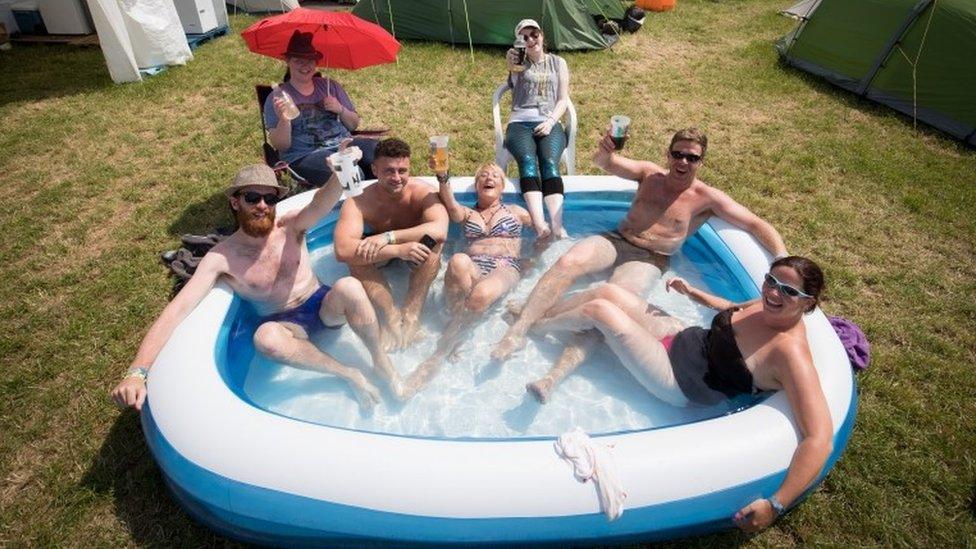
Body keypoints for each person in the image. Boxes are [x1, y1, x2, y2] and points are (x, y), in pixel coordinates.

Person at [526, 256, 833, 533]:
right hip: (682, 337)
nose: (774, 293)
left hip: (677, 381)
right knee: (607, 293)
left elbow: (819, 438)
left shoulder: (791, 355)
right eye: (771, 281)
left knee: (600, 311)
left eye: (789, 291)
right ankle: (534, 315)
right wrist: (693, 293)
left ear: (808, 303)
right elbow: (731, 307)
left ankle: (535, 328)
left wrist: (776, 505)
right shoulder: (767, 304)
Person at [110, 164, 403, 412]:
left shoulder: (290, 227)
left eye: (270, 199)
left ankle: (379, 360)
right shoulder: (221, 258)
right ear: (236, 202)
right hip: (286, 326)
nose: (263, 206)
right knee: (265, 339)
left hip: (322, 306)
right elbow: (175, 313)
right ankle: (347, 373)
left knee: (350, 286)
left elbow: (320, 204)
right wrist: (137, 372)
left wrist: (339, 170)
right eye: (253, 197)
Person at [491, 127, 789, 364]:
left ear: (701, 162)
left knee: (615, 302)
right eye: (678, 154)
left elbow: (756, 224)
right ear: (668, 154)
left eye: (692, 157)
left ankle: (542, 327)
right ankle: (518, 331)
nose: (683, 162)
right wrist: (605, 151)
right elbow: (604, 164)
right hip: (617, 239)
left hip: (651, 258)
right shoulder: (649, 174)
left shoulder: (706, 198)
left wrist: (781, 257)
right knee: (568, 262)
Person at [401, 162, 533, 398]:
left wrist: (531, 261)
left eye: (495, 175)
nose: (488, 177)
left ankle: (439, 353)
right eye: (483, 175)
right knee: (458, 260)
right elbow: (451, 206)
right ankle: (460, 324)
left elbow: (545, 234)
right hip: (475, 266)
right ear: (476, 185)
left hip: (504, 267)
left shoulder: (517, 212)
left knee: (480, 294)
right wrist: (442, 177)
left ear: (502, 186)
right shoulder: (468, 213)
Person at [333, 138, 450, 350]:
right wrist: (396, 249)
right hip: (385, 251)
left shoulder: (422, 192)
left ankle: (411, 312)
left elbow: (440, 230)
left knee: (433, 247)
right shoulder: (359, 201)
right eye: (389, 171)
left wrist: (389, 237)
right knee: (356, 259)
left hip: (407, 247)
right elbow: (342, 250)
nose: (397, 178)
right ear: (374, 170)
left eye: (402, 170)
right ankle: (390, 316)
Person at [264, 30, 378, 187]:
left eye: (310, 60)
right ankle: (359, 207)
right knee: (351, 173)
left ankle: (384, 202)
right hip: (305, 155)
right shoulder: (277, 97)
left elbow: (353, 125)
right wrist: (284, 120)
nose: (305, 65)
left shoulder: (330, 86)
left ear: (316, 62)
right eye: (298, 60)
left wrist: (340, 109)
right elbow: (281, 146)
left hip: (343, 143)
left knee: (380, 156)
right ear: (287, 61)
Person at [504, 18, 572, 240]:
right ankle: (540, 225)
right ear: (519, 42)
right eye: (524, 37)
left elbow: (563, 99)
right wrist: (511, 63)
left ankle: (557, 224)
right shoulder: (518, 61)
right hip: (519, 123)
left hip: (549, 121)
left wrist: (551, 121)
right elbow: (514, 72)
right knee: (527, 161)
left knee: (550, 162)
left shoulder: (558, 62)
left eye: (534, 34)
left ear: (542, 36)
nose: (530, 40)